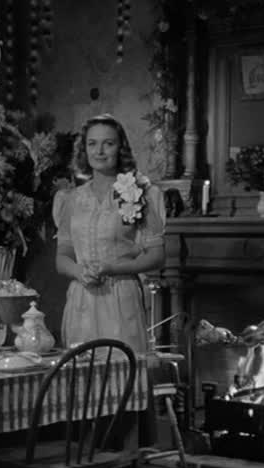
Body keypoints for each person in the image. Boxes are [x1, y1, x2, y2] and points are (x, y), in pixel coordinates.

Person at [52, 114, 166, 353]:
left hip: (120, 296)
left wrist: (114, 268)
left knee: (121, 373)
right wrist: (78, 272)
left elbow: (156, 255)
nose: (99, 151)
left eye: (108, 143)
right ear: (84, 149)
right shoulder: (70, 199)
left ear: (120, 148)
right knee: (82, 376)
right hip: (81, 299)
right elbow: (62, 257)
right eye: (92, 143)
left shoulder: (138, 193)